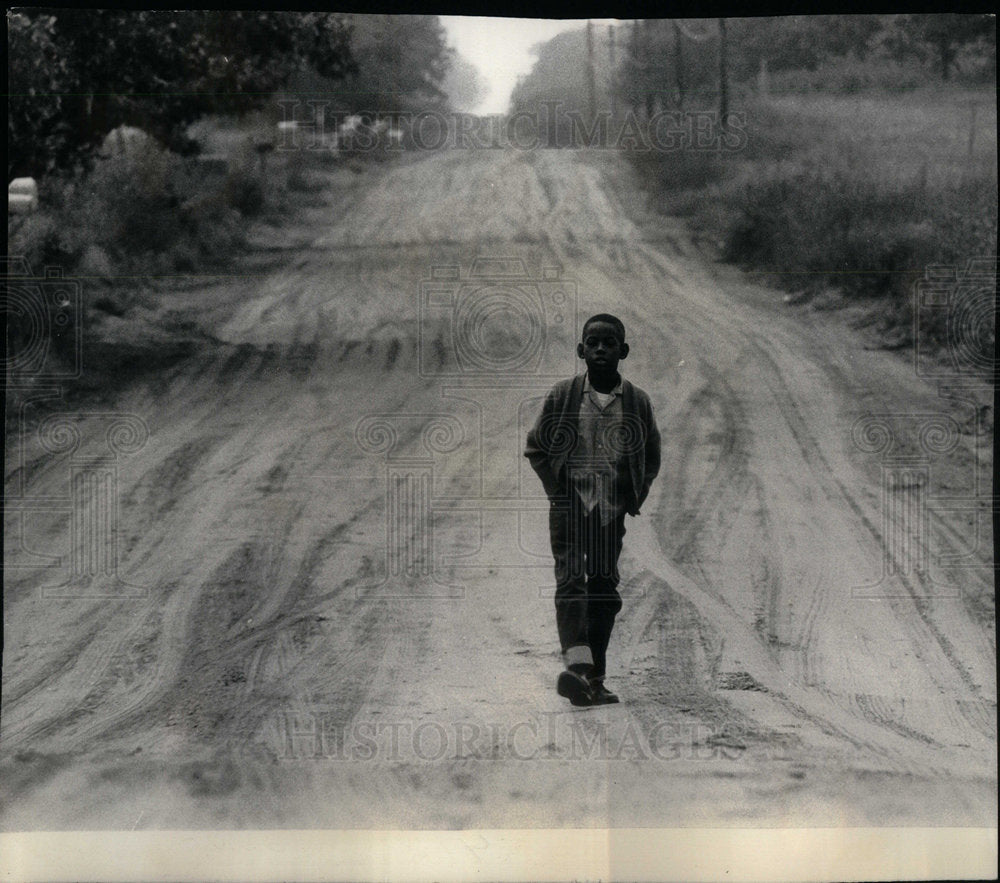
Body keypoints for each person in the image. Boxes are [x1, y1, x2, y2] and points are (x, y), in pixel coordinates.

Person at [524, 314, 661, 706]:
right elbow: (537, 447)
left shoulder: (636, 402)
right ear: (581, 350)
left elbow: (650, 455)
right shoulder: (564, 396)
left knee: (603, 590)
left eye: (610, 343)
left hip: (609, 511)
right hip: (569, 507)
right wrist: (556, 491)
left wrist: (634, 495)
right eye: (593, 342)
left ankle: (594, 679)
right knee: (571, 584)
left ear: (624, 351)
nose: (601, 349)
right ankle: (578, 669)